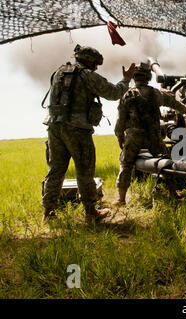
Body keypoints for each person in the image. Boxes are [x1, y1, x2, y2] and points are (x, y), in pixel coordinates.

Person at [41, 44, 135, 222]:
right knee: (85, 170)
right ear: (89, 61)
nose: (96, 68)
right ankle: (91, 212)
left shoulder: (58, 73)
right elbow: (113, 93)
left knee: (56, 170)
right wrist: (126, 79)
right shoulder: (87, 75)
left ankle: (48, 213)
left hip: (54, 127)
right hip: (77, 130)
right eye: (95, 64)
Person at [114, 62, 186, 206]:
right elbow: (174, 103)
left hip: (134, 137)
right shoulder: (156, 93)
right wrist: (183, 110)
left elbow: (120, 120)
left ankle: (121, 199)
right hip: (154, 136)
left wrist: (120, 137)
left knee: (126, 164)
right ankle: (174, 193)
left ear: (134, 78)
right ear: (148, 77)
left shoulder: (127, 95)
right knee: (166, 163)